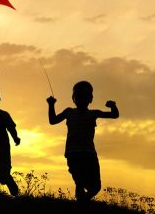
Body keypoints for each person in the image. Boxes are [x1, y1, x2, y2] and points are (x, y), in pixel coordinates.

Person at [46, 81, 119, 210]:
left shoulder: (93, 114)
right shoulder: (69, 112)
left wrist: (113, 106)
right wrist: (51, 105)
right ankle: (81, 204)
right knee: (80, 182)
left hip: (89, 154)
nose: (81, 99)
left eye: (84, 96)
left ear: (90, 99)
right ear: (73, 98)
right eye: (78, 96)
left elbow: (114, 115)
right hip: (73, 154)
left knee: (95, 187)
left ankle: (82, 201)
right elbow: (53, 121)